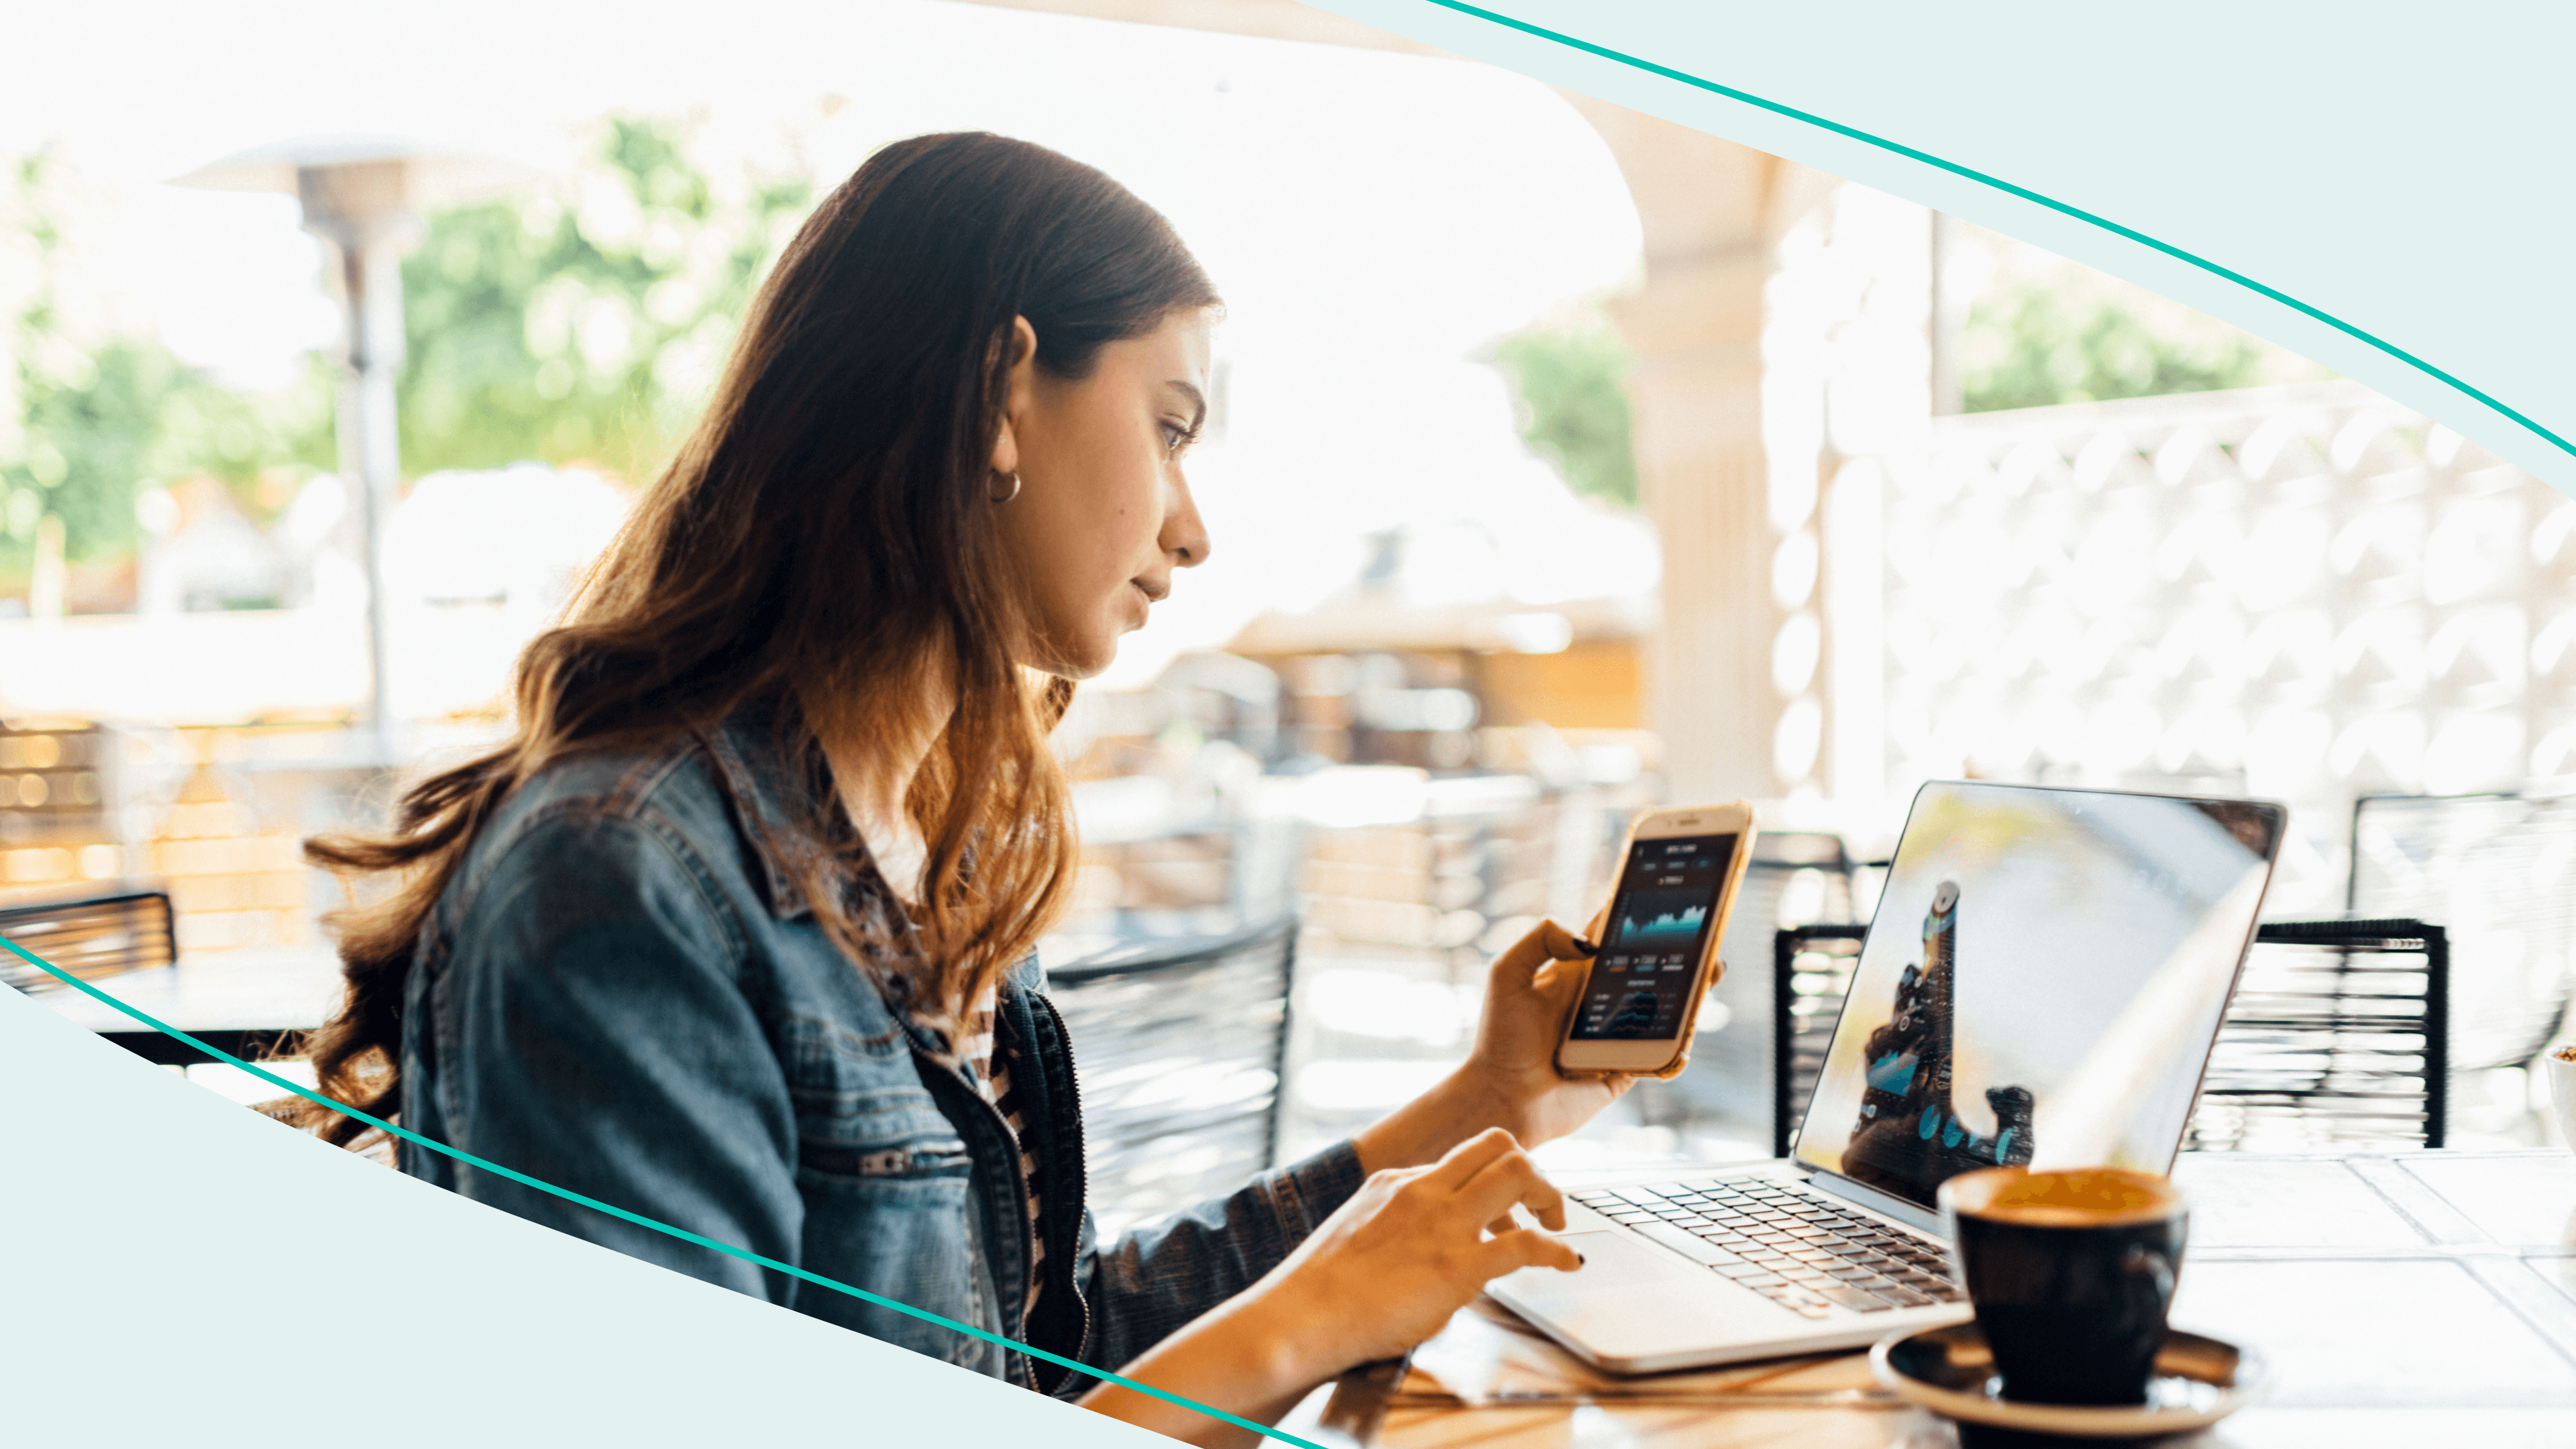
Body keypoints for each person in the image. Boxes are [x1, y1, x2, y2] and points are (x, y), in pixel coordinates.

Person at [288, 131, 1634, 1445]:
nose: (1194, 526)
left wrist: (1487, 1104)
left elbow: (1048, 1351)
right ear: (1002, 390)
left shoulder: (941, 844)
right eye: (1169, 428)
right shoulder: (617, 883)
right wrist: (1305, 1325)